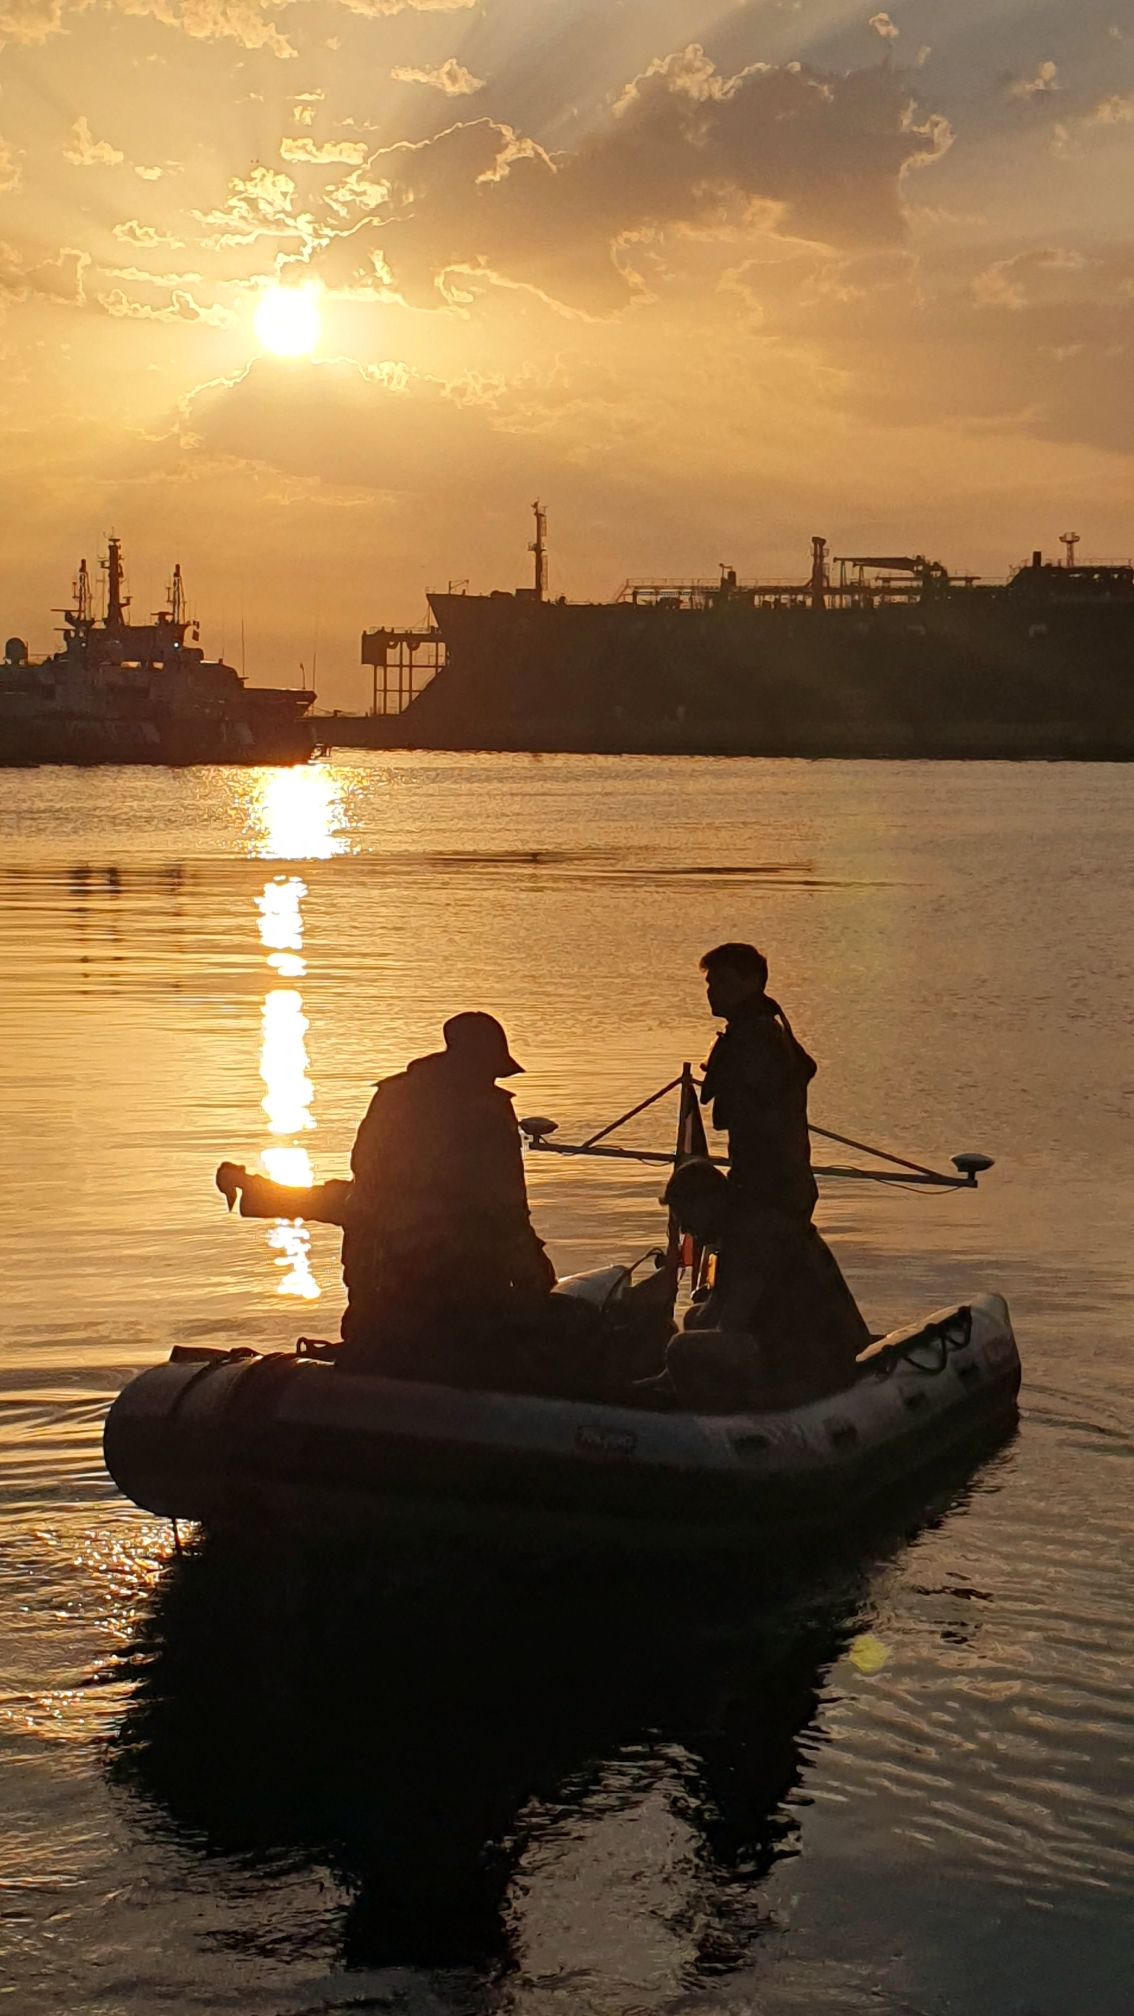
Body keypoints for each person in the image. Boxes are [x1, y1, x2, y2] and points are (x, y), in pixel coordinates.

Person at [338, 1011, 556, 1372]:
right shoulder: (488, 1112)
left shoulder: (391, 1096)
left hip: (376, 1262)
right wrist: (534, 1271)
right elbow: (506, 1206)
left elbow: (362, 1167)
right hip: (448, 1271)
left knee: (374, 1343)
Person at [657, 1158, 869, 1410]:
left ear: (707, 1202)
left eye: (685, 1216)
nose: (684, 1229)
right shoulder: (740, 1225)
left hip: (817, 1357)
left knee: (680, 1349)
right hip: (794, 1339)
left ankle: (716, 1417)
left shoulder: (751, 1237)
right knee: (694, 1319)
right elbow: (711, 1312)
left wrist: (677, 1358)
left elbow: (731, 1323)